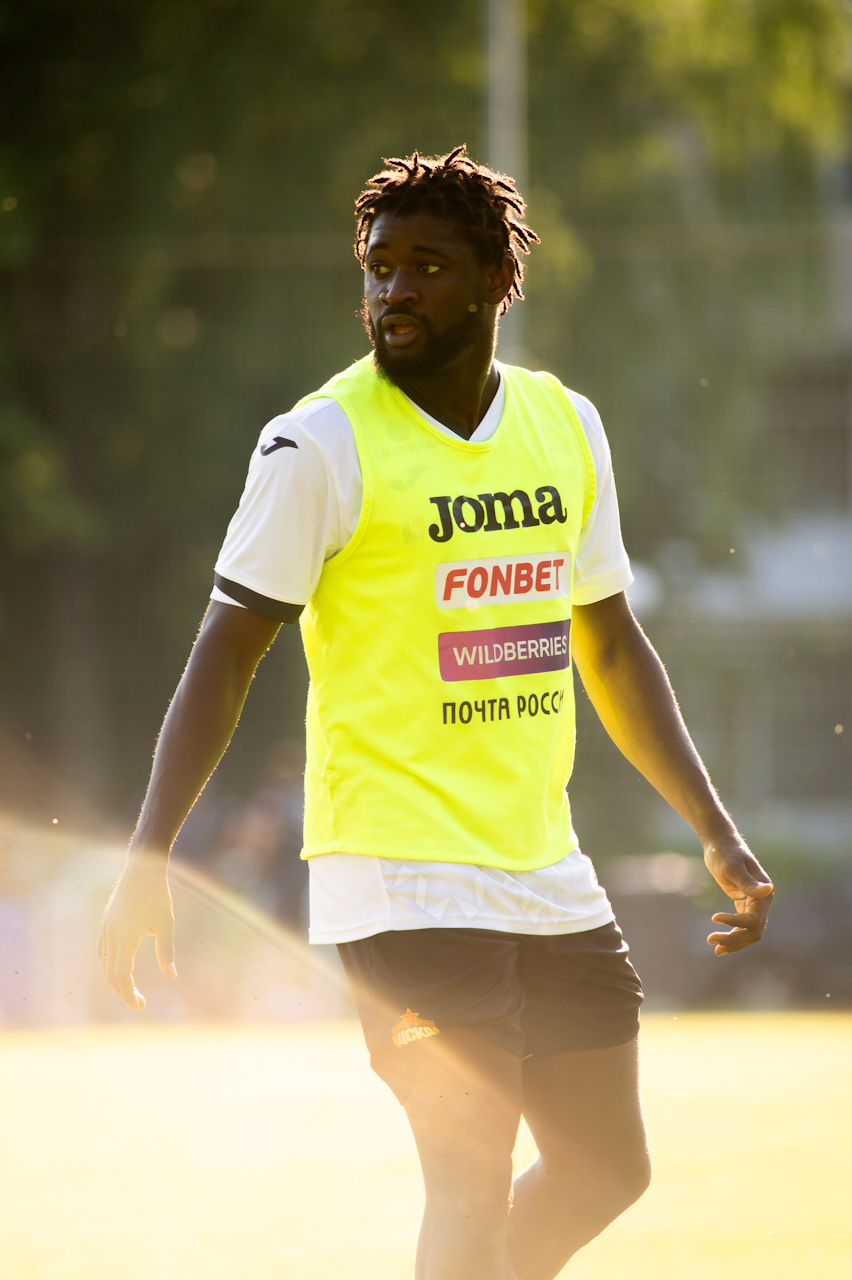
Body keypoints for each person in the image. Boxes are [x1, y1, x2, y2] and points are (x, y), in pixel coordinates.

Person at [98, 146, 773, 1280]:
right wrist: (149, 852)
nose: (393, 291)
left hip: (542, 868)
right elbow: (225, 655)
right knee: (469, 1173)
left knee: (607, 1165)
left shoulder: (566, 425)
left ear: (497, 281)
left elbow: (610, 643)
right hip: (397, 875)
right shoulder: (317, 443)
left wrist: (715, 828)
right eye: (378, 268)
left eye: (426, 266)